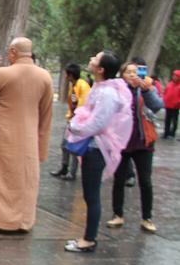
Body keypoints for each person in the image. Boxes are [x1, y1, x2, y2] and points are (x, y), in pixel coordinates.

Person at [0, 38, 53, 232]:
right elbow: (46, 114)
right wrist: (42, 148)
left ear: (13, 52)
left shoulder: (3, 73)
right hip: (29, 138)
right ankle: (23, 221)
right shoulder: (45, 76)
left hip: (3, 135)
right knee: (25, 180)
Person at [63, 51, 132, 253]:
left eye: (95, 58)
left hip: (96, 148)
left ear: (100, 69)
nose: (91, 59)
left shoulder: (107, 93)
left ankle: (89, 239)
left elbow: (98, 123)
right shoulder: (102, 88)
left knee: (91, 195)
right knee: (89, 194)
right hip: (93, 146)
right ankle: (87, 236)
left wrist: (75, 127)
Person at [105, 61, 164, 233]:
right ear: (121, 75)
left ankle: (147, 217)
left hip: (142, 141)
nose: (132, 75)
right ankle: (118, 214)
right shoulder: (116, 91)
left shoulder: (146, 88)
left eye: (135, 72)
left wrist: (145, 90)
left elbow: (157, 106)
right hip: (121, 142)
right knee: (119, 179)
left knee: (145, 180)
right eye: (128, 72)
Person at [51, 63, 92, 180]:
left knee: (74, 146)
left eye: (66, 74)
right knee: (64, 145)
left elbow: (82, 105)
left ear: (70, 75)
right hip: (72, 120)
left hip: (79, 121)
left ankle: (72, 173)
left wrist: (77, 120)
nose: (65, 76)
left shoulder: (82, 86)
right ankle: (64, 168)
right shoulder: (73, 85)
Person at [163, 69, 179, 140]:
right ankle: (166, 133)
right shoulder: (170, 84)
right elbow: (166, 92)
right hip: (168, 105)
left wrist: (177, 102)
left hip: (175, 106)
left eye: (176, 76)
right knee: (167, 120)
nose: (174, 77)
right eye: (174, 75)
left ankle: (172, 134)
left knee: (174, 121)